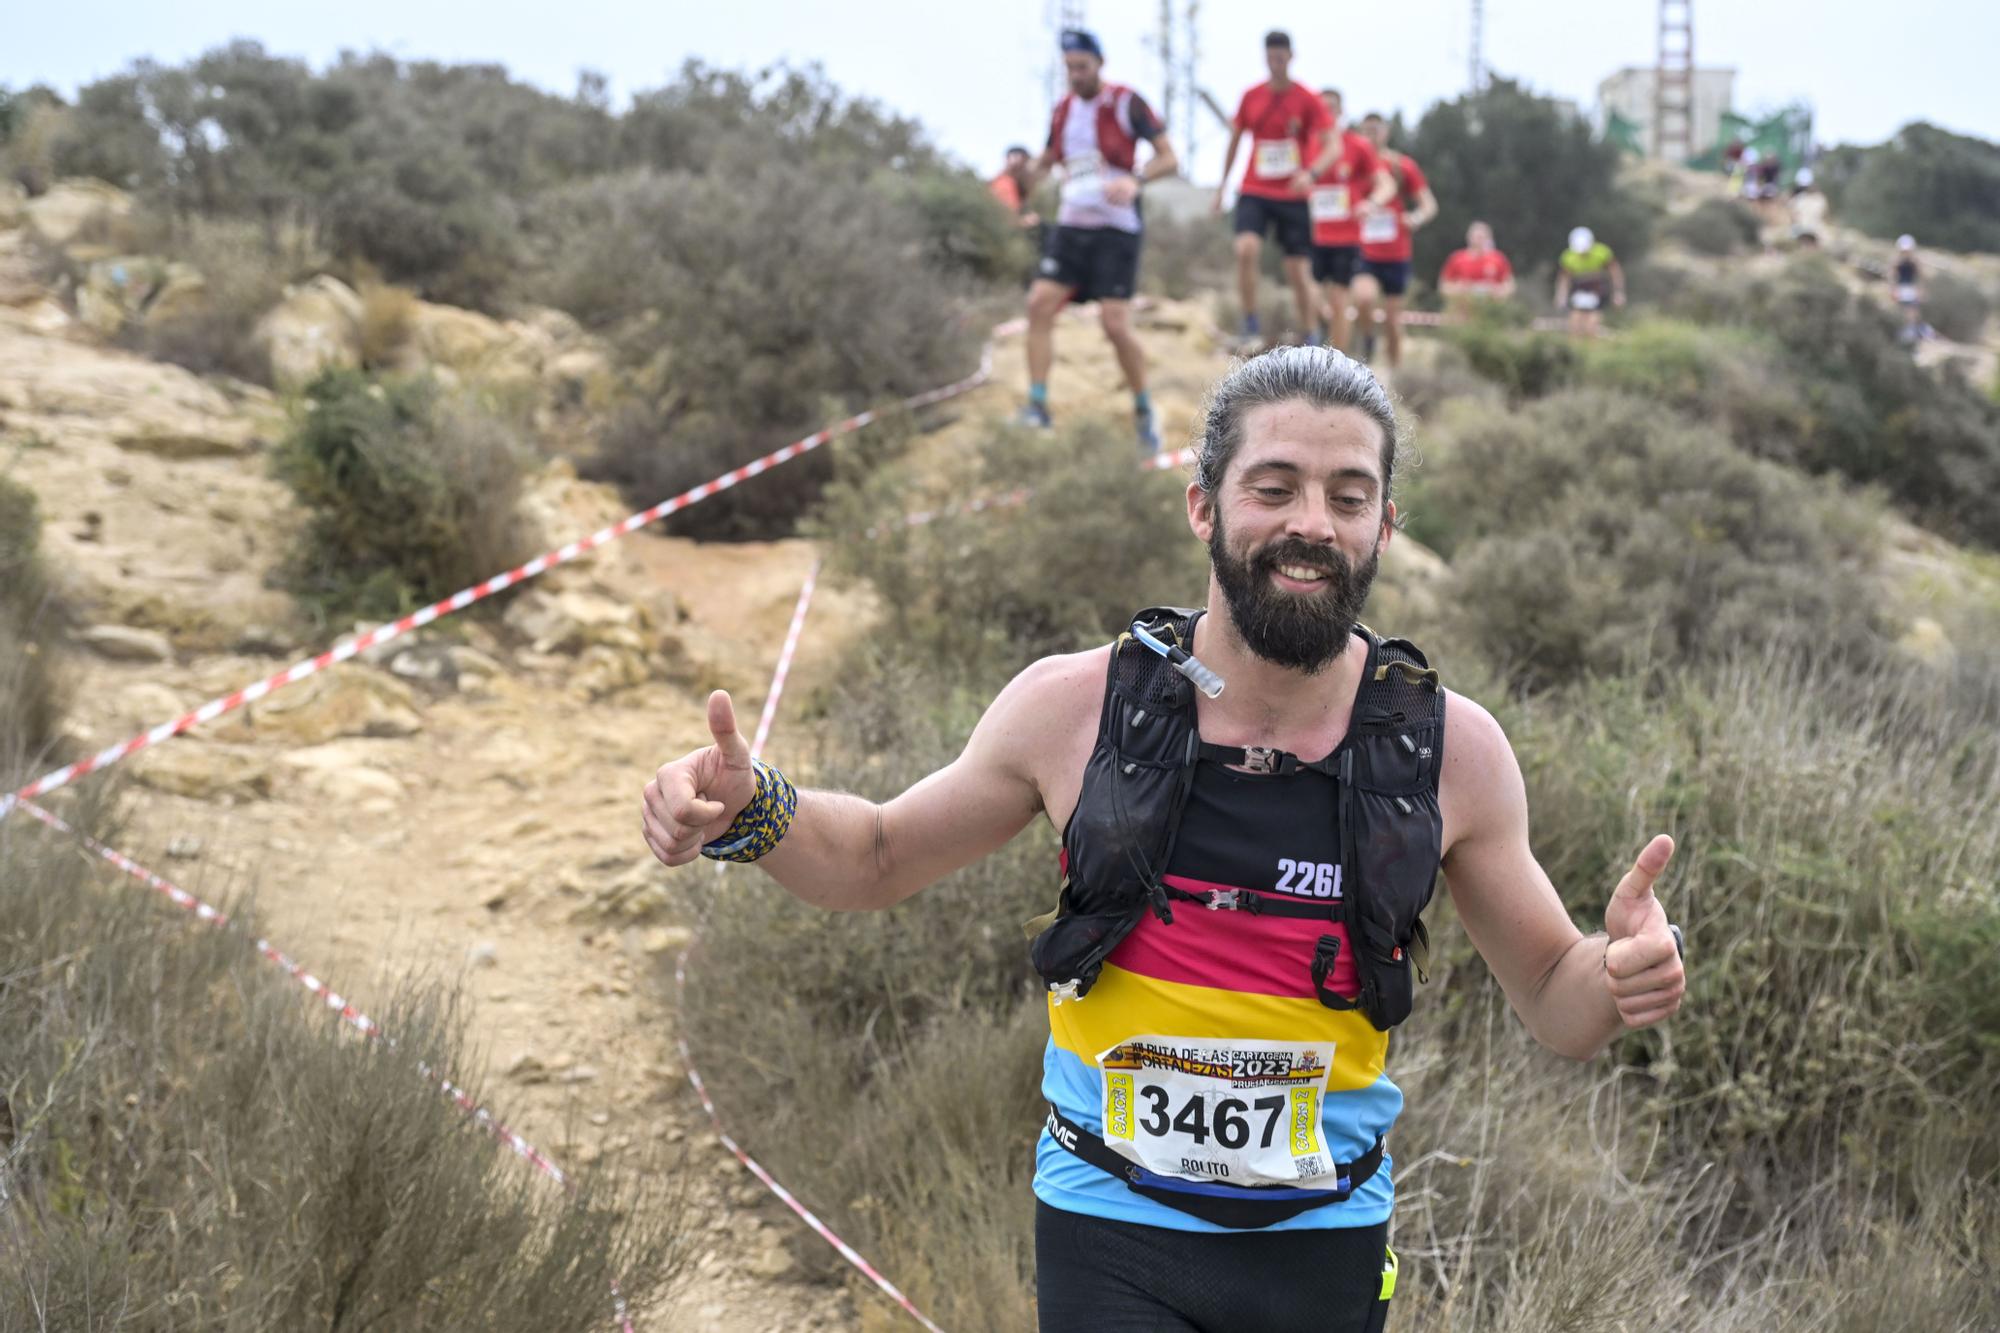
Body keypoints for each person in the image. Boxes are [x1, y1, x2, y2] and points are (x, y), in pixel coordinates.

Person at [642, 347, 1687, 1333]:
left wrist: (1618, 973)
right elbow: (873, 856)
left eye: (1346, 496)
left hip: (1323, 1243)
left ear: (1383, 524)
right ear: (1203, 505)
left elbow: (1555, 995)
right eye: (1272, 487)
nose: (1310, 524)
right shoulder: (1072, 708)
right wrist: (754, 810)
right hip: (1110, 1223)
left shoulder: (1448, 749)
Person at [1019, 29, 1180, 452]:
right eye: (1069, 68)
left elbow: (1169, 158)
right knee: (1038, 304)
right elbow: (1048, 160)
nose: (1075, 75)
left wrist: (1135, 179)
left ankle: (1144, 409)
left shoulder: (1127, 101)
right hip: (1072, 225)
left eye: (1082, 67)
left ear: (1099, 64)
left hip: (1117, 229)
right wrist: (1023, 177)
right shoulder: (1062, 111)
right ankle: (1037, 405)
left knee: (1114, 324)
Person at [1213, 31, 1332, 347]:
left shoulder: (1307, 99)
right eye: (1270, 58)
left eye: (1281, 58)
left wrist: (1312, 173)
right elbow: (1235, 141)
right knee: (1246, 249)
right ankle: (1250, 322)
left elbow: (1331, 145)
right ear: (1264, 58)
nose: (1275, 64)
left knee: (1297, 271)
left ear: (1291, 58)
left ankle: (1311, 335)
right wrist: (1222, 186)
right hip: (1254, 188)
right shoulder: (1251, 96)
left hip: (1293, 195)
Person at [1304, 89, 1396, 355]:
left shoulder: (1357, 146)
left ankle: (1336, 361)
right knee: (1310, 296)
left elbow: (1385, 184)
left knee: (1339, 300)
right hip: (1314, 236)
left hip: (1347, 238)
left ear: (1341, 111)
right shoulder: (1308, 145)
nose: (1327, 112)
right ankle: (1312, 348)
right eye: (1322, 108)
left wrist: (1371, 203)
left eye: (1332, 107)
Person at [1349, 113, 1436, 372]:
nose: (1371, 135)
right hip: (1364, 250)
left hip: (1396, 253)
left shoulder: (1402, 166)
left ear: (1385, 132)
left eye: (1375, 129)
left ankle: (1394, 375)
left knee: (1392, 319)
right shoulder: (1353, 166)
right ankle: (1367, 341)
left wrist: (1416, 218)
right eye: (1366, 130)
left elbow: (1429, 204)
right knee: (1364, 299)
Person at [1554, 226, 1624, 338]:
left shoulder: (1602, 252)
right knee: (1575, 322)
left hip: (1598, 289)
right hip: (1578, 289)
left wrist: (1618, 292)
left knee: (1592, 324)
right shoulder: (1568, 257)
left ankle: (1592, 347)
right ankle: (1576, 348)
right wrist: (1560, 297)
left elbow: (1615, 272)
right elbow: (1564, 279)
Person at [1438, 221, 1516, 316]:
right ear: (1468, 237)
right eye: (1476, 236)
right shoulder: (1457, 259)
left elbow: (1509, 286)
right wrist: (1458, 289)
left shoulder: (1498, 259)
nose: (1479, 240)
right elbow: (1443, 287)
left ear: (1489, 238)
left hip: (1490, 311)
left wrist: (1499, 292)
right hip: (1462, 312)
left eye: (1482, 237)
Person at [989, 145, 1042, 228]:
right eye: (1025, 165)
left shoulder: (1005, 182)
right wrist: (1026, 222)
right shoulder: (1005, 184)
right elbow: (1006, 221)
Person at [1893, 234, 1926, 345]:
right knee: (1901, 312)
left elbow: (1920, 277)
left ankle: (1911, 334)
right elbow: (1892, 277)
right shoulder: (1896, 262)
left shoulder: (1915, 262)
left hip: (1911, 289)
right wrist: (1893, 290)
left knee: (1912, 312)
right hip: (1901, 289)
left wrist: (1920, 291)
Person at [1787, 168, 1826, 248]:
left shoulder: (1795, 200)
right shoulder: (1820, 199)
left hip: (1802, 231)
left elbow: (1792, 217)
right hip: (1815, 230)